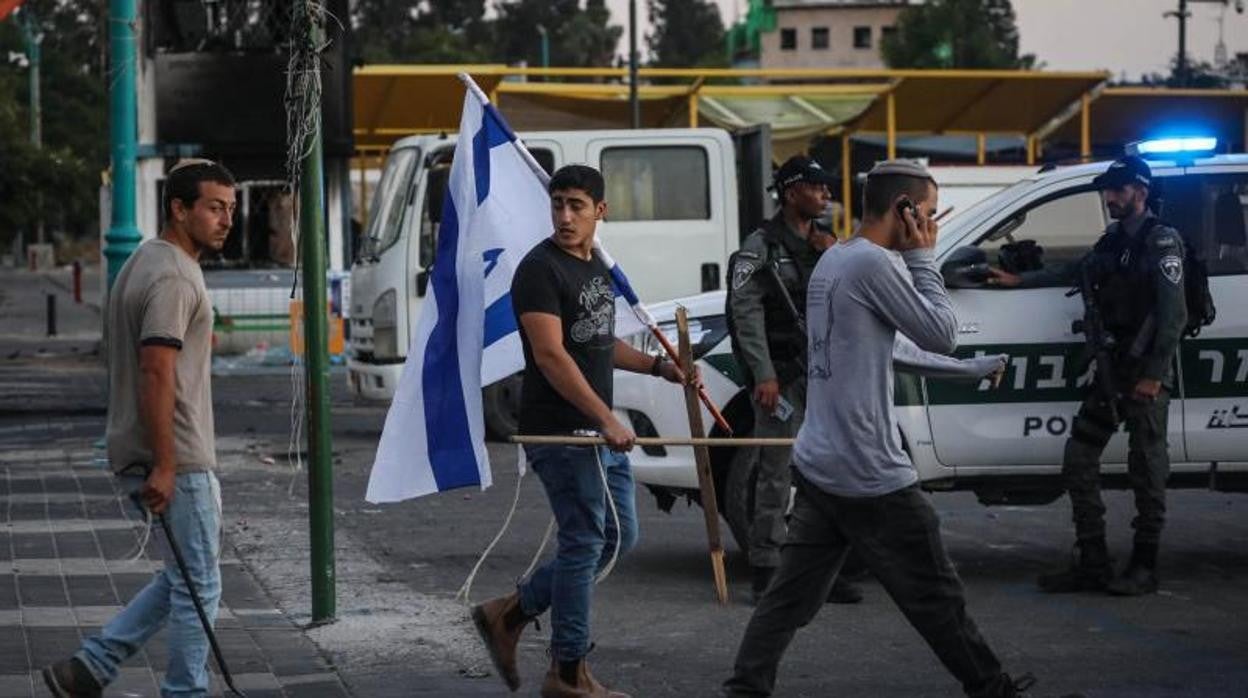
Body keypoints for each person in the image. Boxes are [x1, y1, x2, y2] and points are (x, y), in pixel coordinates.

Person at [724, 160, 1031, 698]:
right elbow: (941, 332)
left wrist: (967, 371)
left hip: (823, 464)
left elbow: (886, 347)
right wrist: (923, 259)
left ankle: (745, 688)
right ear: (904, 210)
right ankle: (992, 689)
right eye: (927, 213)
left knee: (789, 599)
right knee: (936, 596)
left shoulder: (836, 257)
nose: (930, 224)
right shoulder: (873, 263)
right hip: (871, 473)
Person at [472, 165, 691, 698]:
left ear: (600, 211)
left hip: (595, 434)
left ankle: (510, 613)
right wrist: (606, 418)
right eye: (558, 205)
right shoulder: (538, 270)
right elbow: (550, 355)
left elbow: (599, 340)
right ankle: (567, 672)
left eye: (577, 206)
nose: (565, 216)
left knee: (619, 537)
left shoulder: (595, 266)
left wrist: (660, 368)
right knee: (585, 542)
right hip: (562, 434)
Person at [42, 160, 236, 697]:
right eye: (214, 208)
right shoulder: (173, 276)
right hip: (176, 453)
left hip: (144, 447)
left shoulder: (145, 260)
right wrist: (167, 464)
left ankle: (90, 667)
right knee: (200, 584)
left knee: (185, 576)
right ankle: (184, 691)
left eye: (230, 209)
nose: (226, 220)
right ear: (180, 209)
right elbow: (156, 368)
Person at [991, 155, 1187, 596]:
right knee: (1079, 457)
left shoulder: (1162, 242)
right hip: (1112, 370)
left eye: (1117, 189)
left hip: (1145, 374)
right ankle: (1093, 560)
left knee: (1147, 467)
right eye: (1108, 190)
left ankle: (1145, 563)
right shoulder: (1112, 241)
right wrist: (1019, 280)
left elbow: (1173, 316)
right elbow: (1076, 271)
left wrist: (1154, 375)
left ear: (1140, 192)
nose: (1109, 197)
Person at [727, 155, 860, 604]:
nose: (826, 194)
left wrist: (835, 253)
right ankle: (766, 567)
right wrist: (763, 374)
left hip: (826, 376)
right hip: (782, 378)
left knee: (828, 473)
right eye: (816, 186)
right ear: (790, 192)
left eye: (826, 186)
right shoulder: (759, 248)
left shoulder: (826, 243)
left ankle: (820, 569)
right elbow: (746, 314)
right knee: (775, 471)